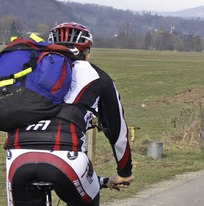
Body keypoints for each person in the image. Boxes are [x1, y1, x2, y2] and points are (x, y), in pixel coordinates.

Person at [4, 22, 134, 205]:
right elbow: (118, 131)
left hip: (17, 157)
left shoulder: (31, 70)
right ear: (86, 51)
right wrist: (124, 172)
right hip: (67, 158)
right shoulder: (97, 75)